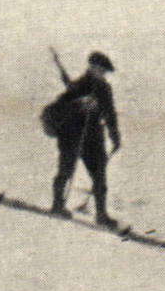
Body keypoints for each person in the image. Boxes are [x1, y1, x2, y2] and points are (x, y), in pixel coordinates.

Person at [43, 51, 122, 227]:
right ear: (92, 67)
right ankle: (57, 205)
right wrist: (81, 104)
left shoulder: (105, 89)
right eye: (100, 70)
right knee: (66, 169)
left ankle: (101, 215)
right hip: (72, 134)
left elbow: (110, 114)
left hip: (93, 137)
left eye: (104, 72)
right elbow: (61, 104)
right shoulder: (80, 84)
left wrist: (115, 136)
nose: (102, 74)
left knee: (99, 175)